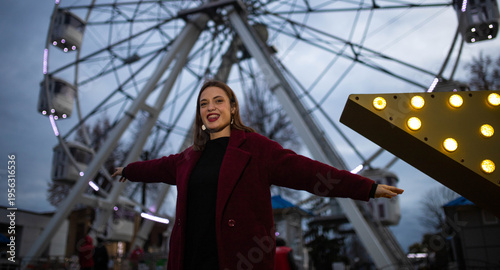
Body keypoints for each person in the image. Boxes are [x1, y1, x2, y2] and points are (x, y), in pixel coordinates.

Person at [112, 80, 403, 270]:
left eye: (218, 101)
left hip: (239, 260)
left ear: (233, 107)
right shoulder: (188, 158)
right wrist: (128, 170)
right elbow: (156, 167)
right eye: (204, 104)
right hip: (190, 260)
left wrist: (366, 188)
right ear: (199, 114)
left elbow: (309, 172)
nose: (211, 107)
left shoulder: (256, 149)